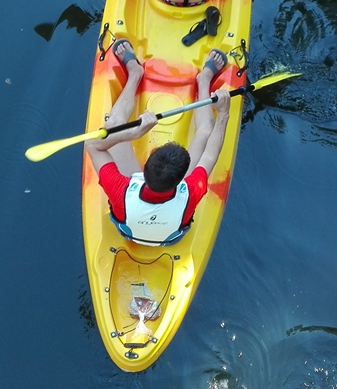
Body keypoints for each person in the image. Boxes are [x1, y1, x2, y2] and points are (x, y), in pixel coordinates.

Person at [85, 38, 233, 246]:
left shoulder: (119, 187)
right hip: (171, 239)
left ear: (142, 170)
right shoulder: (192, 189)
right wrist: (224, 113)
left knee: (116, 123)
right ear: (183, 178)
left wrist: (133, 133)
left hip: (126, 232)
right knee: (206, 131)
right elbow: (210, 154)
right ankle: (204, 81)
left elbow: (92, 145)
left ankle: (135, 74)